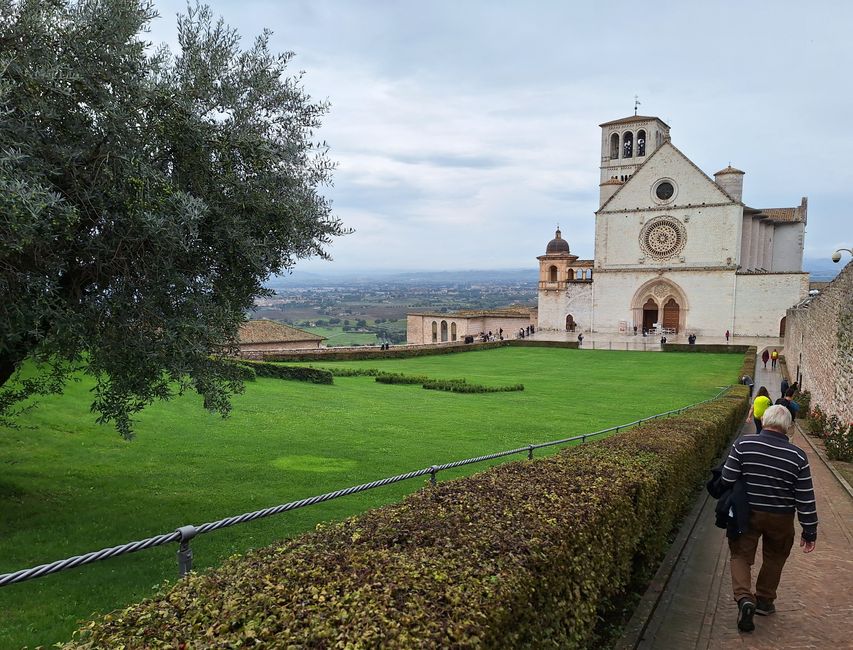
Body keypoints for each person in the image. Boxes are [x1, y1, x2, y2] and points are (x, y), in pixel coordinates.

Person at [719, 405, 817, 632]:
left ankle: (744, 599)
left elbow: (727, 477)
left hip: (747, 513)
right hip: (781, 517)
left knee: (741, 555)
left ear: (764, 420)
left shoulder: (744, 445)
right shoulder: (797, 456)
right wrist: (809, 530)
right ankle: (764, 600)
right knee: (775, 557)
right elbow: (805, 496)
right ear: (788, 427)